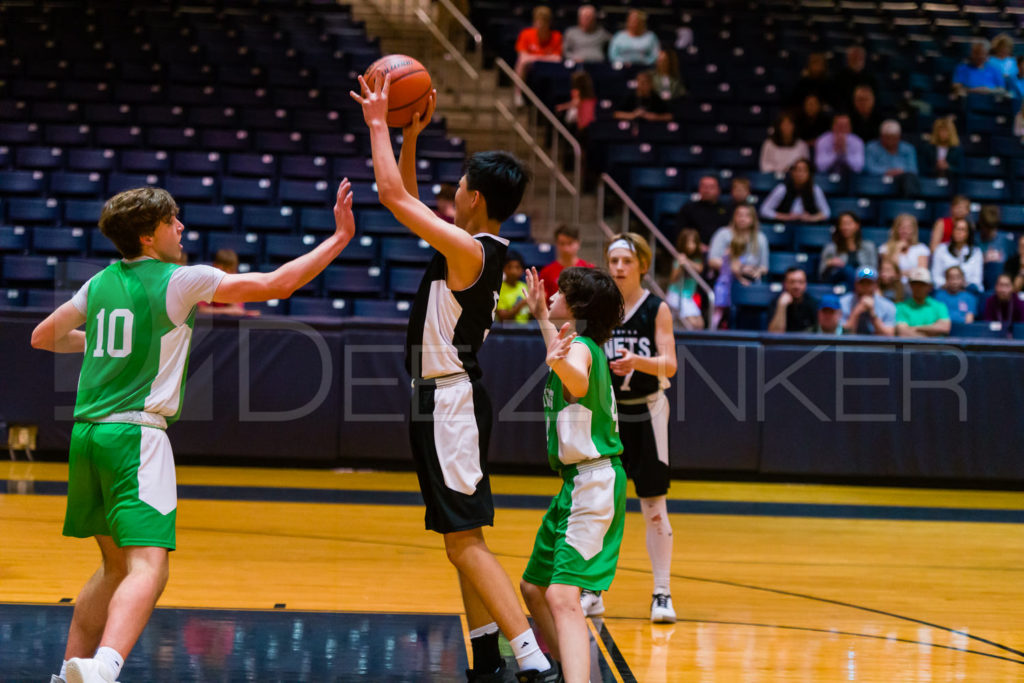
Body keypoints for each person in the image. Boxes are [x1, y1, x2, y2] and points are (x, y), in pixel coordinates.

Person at [32, 179, 357, 683]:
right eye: (172, 221)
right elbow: (277, 284)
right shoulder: (177, 279)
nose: (181, 228)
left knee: (114, 567)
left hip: (86, 436)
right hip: (136, 438)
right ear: (147, 236)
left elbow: (43, 336)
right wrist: (338, 239)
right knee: (149, 567)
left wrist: (99, 338)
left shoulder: (97, 284)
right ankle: (104, 667)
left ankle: (67, 673)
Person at [351, 76, 556, 682]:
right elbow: (409, 193)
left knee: (464, 541)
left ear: (475, 199)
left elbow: (391, 195)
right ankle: (487, 652)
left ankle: (532, 659)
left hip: (449, 401)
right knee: (458, 536)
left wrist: (378, 122)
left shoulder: (473, 252)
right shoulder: (472, 245)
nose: (454, 190)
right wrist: (410, 137)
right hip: (442, 400)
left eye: (462, 184)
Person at [521, 265, 625, 683]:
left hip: (593, 483)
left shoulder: (580, 348)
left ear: (577, 306)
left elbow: (576, 379)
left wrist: (559, 363)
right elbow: (565, 356)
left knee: (562, 595)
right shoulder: (577, 342)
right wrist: (543, 321)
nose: (552, 295)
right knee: (534, 587)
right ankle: (577, 666)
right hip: (575, 484)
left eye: (559, 292)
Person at [581, 233, 679, 624]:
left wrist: (638, 362)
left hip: (647, 413)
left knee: (653, 505)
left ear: (642, 264)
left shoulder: (657, 308)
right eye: (613, 261)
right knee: (600, 504)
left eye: (626, 260)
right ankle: (593, 590)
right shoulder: (599, 308)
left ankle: (662, 592)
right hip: (609, 416)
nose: (619, 267)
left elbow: (669, 365)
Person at [708, 205, 769, 328]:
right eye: (739, 215)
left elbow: (764, 267)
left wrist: (757, 271)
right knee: (720, 314)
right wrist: (739, 269)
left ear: (753, 219)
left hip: (751, 283)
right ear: (734, 217)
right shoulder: (723, 233)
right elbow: (712, 260)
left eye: (747, 215)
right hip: (726, 282)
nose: (742, 219)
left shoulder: (760, 238)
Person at [514, 6, 564, 107]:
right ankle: (518, 94)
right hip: (531, 67)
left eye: (544, 22)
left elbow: (558, 58)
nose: (540, 25)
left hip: (549, 69)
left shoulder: (557, 36)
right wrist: (544, 57)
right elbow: (523, 56)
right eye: (538, 21)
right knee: (521, 62)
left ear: (549, 23)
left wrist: (535, 57)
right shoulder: (526, 34)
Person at [759, 159, 830, 223]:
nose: (800, 174)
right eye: (797, 170)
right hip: (785, 227)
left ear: (809, 174)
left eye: (804, 171)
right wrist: (785, 217)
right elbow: (764, 210)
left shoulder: (815, 190)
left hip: (807, 229)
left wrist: (811, 218)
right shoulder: (782, 189)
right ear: (792, 173)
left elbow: (826, 213)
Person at [819, 211, 878, 285]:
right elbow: (821, 274)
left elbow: (874, 270)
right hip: (838, 283)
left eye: (849, 224)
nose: (845, 227)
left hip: (864, 281)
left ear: (857, 226)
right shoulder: (831, 248)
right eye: (842, 224)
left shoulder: (869, 246)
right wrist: (830, 263)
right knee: (848, 270)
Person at [864, 119, 920, 197]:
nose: (890, 141)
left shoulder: (908, 148)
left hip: (903, 181)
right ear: (881, 136)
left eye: (893, 138)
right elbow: (868, 168)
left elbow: (913, 170)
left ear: (899, 137)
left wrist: (899, 172)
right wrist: (887, 171)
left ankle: (908, 203)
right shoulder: (871, 147)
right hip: (878, 182)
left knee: (909, 180)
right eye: (887, 138)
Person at [197, 249, 259, 316]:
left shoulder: (235, 283)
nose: (228, 273)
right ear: (215, 266)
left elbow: (237, 310)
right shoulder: (207, 282)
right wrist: (228, 311)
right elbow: (201, 310)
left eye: (232, 270)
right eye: (225, 270)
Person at [539, 224, 595, 298]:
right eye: (562, 243)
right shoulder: (546, 272)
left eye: (570, 243)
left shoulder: (589, 269)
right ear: (556, 244)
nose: (566, 248)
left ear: (578, 243)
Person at [666, 228, 705, 329]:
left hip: (688, 297)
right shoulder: (678, 259)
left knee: (700, 324)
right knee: (692, 323)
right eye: (688, 242)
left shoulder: (696, 259)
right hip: (677, 295)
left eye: (693, 242)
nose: (691, 246)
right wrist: (680, 265)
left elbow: (699, 268)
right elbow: (672, 279)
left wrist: (687, 262)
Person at [894, 267, 951, 337]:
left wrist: (916, 328)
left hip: (937, 347)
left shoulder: (939, 306)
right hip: (911, 347)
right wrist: (932, 332)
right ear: (910, 286)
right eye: (915, 283)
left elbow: (945, 327)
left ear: (929, 287)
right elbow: (903, 332)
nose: (918, 287)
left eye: (922, 284)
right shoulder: (901, 307)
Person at [840, 266, 897, 335]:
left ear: (876, 285)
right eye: (862, 282)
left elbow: (889, 336)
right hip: (851, 345)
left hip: (877, 345)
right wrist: (856, 312)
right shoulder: (843, 302)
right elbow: (843, 334)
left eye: (869, 283)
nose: (865, 286)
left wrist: (873, 314)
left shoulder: (888, 306)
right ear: (855, 284)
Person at [675, 175, 730, 245]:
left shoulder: (727, 209)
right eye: (704, 187)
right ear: (699, 189)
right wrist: (696, 245)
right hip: (694, 250)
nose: (707, 190)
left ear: (719, 190)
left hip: (722, 251)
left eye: (711, 187)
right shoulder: (688, 209)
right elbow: (681, 233)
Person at [931, 217, 982, 290]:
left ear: (968, 233)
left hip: (968, 291)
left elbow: (976, 280)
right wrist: (950, 286)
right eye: (957, 229)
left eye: (962, 230)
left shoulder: (976, 252)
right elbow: (936, 277)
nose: (959, 232)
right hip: (945, 290)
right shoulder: (941, 249)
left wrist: (961, 286)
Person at [767, 266, 818, 333]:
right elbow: (774, 335)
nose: (796, 286)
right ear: (785, 284)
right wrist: (782, 306)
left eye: (800, 282)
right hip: (783, 343)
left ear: (805, 284)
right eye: (792, 282)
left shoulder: (812, 303)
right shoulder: (776, 302)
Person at [833, 46, 879, 111]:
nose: (857, 60)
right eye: (854, 57)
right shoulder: (839, 77)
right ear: (848, 59)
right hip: (846, 112)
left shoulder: (871, 77)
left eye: (860, 58)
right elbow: (837, 99)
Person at [556, 71, 598, 138]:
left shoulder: (578, 92)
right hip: (589, 122)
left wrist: (562, 107)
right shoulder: (590, 94)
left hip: (584, 122)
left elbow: (576, 102)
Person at [497, 250, 531, 323]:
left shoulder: (524, 286)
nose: (513, 271)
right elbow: (502, 318)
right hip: (507, 332)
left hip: (527, 330)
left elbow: (530, 315)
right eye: (509, 267)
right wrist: (520, 305)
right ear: (503, 269)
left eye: (517, 267)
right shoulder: (499, 289)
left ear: (522, 270)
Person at [976, 204, 1009, 276]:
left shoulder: (1005, 240)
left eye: (993, 227)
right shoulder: (974, 239)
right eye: (987, 226)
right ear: (982, 224)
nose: (990, 231)